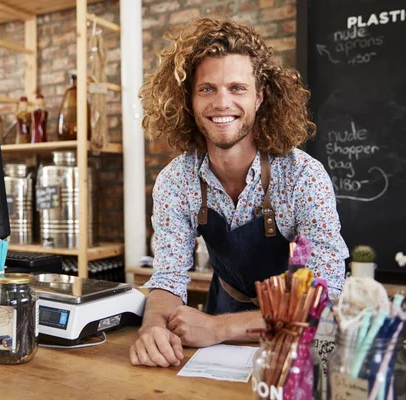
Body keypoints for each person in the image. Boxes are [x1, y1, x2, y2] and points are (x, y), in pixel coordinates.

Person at [130, 17, 348, 368]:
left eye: (237, 88)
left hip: (292, 339)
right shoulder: (176, 181)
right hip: (217, 327)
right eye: (207, 89)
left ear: (260, 97)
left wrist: (219, 327)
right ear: (189, 99)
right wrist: (154, 327)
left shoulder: (303, 177)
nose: (221, 103)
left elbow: (323, 298)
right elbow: (168, 278)